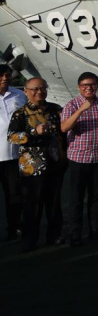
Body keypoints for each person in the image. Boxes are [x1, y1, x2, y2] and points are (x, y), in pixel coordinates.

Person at [6, 77, 65, 251]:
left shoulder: (55, 109)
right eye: (34, 89)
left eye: (42, 88)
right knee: (32, 205)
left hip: (54, 162)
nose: (39, 92)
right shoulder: (20, 113)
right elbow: (12, 137)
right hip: (32, 167)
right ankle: (30, 239)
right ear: (25, 91)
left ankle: (54, 235)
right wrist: (33, 131)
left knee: (54, 203)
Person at [60, 72, 98, 245]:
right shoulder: (71, 104)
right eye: (84, 85)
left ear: (97, 86)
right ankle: (75, 234)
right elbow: (64, 127)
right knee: (76, 198)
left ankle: (95, 230)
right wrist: (81, 109)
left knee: (96, 196)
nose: (88, 88)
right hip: (78, 157)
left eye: (92, 84)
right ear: (78, 87)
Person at [0, 64, 27, 241]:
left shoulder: (19, 95)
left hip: (12, 154)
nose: (5, 78)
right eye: (1, 75)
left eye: (7, 75)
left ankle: (14, 227)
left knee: (14, 194)